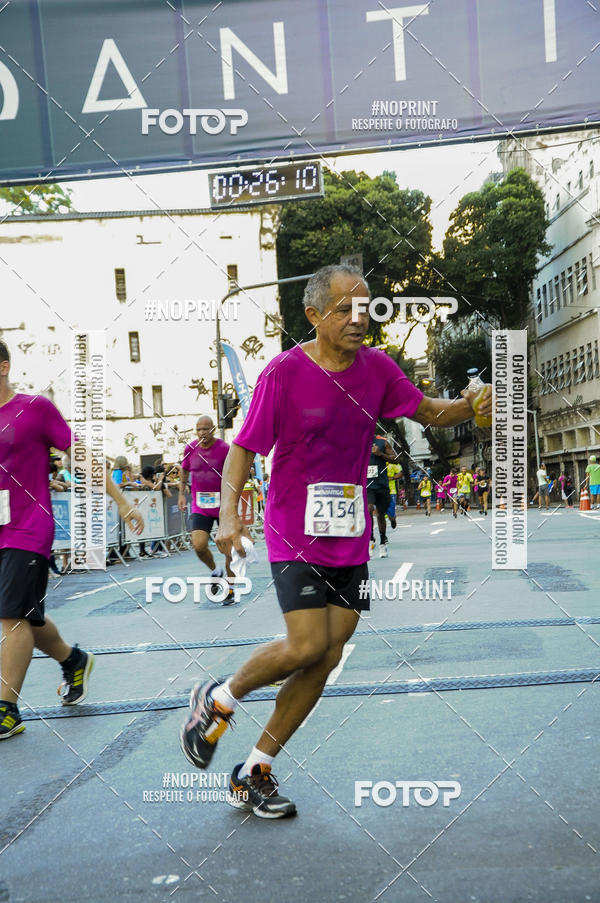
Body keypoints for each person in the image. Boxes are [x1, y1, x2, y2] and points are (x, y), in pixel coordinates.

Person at [178, 264, 493, 818]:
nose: (358, 319)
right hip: (293, 529)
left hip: (348, 534)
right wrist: (228, 515)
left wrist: (474, 406)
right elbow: (243, 448)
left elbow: (427, 410)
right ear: (315, 315)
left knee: (325, 657)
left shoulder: (377, 369)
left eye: (366, 308)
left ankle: (254, 770)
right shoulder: (284, 372)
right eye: (344, 309)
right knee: (303, 646)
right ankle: (219, 700)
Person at [0, 340, 143, 740]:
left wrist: (123, 503)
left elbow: (81, 456)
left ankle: (6, 709)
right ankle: (73, 659)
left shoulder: (34, 409)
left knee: (11, 616)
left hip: (27, 526)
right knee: (24, 614)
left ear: (4, 366)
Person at [178, 415, 234, 603]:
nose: (202, 433)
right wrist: (180, 493)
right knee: (199, 545)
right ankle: (216, 571)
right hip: (200, 506)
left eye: (205, 429)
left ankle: (229, 588)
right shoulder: (190, 449)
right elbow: (184, 469)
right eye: (199, 429)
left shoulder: (224, 449)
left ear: (213, 430)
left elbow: (234, 472)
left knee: (228, 549)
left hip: (223, 506)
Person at [367, 434, 396, 557]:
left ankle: (382, 542)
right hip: (367, 485)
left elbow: (395, 458)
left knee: (380, 515)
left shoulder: (383, 442)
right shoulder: (357, 442)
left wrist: (381, 454)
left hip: (382, 485)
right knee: (369, 509)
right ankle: (370, 539)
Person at [386, 461, 402, 528]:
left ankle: (392, 519)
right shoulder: (375, 461)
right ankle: (382, 534)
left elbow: (400, 473)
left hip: (391, 491)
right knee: (379, 513)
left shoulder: (392, 462)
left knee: (391, 513)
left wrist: (392, 478)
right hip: (378, 489)